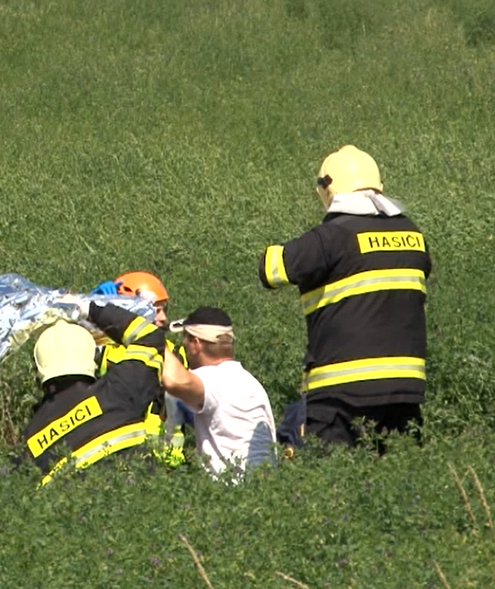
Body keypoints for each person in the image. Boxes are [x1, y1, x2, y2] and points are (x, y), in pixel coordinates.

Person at [259, 145, 432, 448]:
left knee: (334, 484)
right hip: (406, 388)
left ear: (328, 188)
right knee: (395, 481)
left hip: (340, 391)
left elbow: (271, 271)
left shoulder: (332, 237)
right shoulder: (413, 235)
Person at [22, 295, 165, 484]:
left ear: (39, 368)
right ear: (92, 357)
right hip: (143, 502)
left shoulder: (31, 439)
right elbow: (149, 335)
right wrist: (90, 309)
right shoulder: (118, 389)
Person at [160, 307, 276, 477]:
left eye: (185, 340)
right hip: (264, 488)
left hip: (231, 491)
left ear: (196, 344)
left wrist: (151, 338)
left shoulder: (211, 379)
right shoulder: (249, 381)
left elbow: (174, 381)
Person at [92, 271, 188, 465]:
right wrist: (95, 309)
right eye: (156, 310)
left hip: (163, 463)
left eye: (163, 309)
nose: (163, 318)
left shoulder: (174, 353)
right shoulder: (106, 349)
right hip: (121, 459)